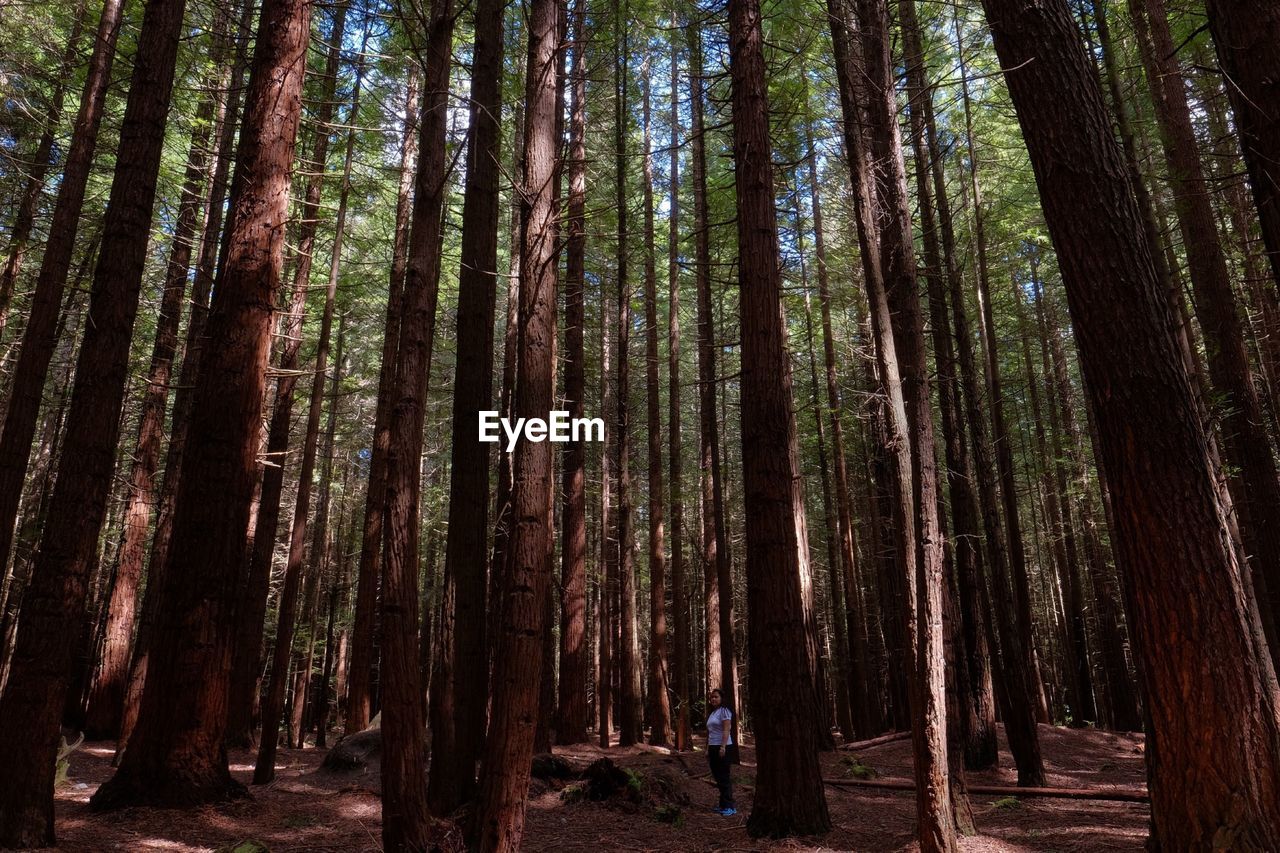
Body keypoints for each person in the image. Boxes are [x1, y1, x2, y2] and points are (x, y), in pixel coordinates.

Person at [706, 688, 736, 816]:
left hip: (723, 747)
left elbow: (726, 730)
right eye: (712, 697)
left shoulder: (724, 711)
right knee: (717, 776)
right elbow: (711, 733)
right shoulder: (713, 713)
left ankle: (730, 806)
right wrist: (707, 748)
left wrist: (723, 747)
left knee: (723, 776)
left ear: (721, 698)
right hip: (713, 746)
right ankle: (723, 805)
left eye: (716, 697)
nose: (713, 699)